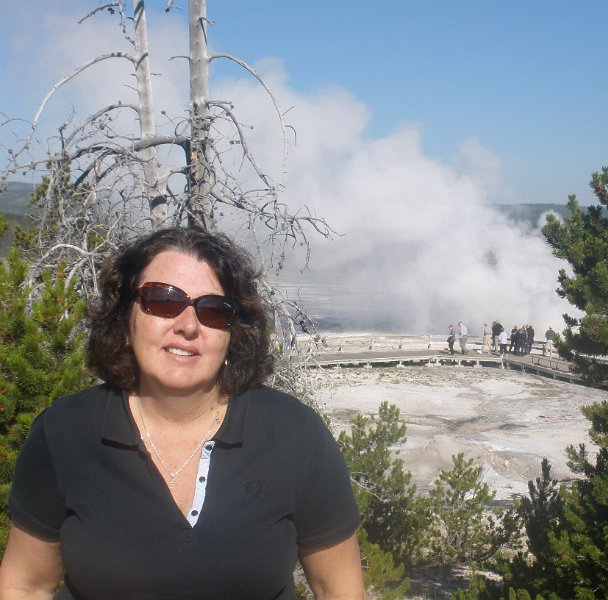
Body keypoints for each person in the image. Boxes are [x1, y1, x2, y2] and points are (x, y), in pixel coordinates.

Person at [0, 227, 364, 599]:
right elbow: (24, 586)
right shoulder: (65, 433)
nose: (188, 325)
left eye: (212, 310)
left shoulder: (294, 436)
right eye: (162, 301)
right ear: (125, 319)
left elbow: (338, 589)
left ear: (232, 335)